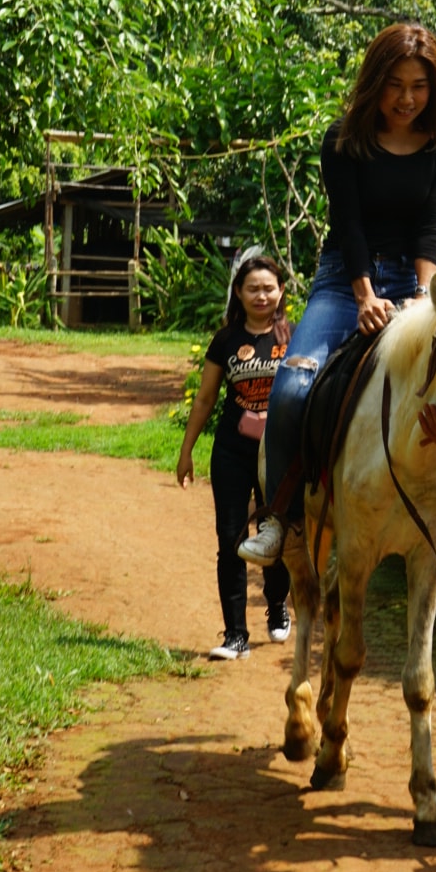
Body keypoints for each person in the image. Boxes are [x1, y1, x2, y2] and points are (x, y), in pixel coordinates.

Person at [239, 22, 436, 566]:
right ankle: (279, 515)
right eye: (394, 85)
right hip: (345, 279)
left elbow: (431, 227)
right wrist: (364, 296)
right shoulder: (343, 140)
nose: (407, 98)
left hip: (417, 281)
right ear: (373, 83)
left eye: (419, 85)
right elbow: (350, 223)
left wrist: (419, 295)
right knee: (292, 386)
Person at [176, 249, 293, 660]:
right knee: (231, 540)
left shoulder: (292, 335)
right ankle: (235, 636)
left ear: (281, 291)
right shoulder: (226, 339)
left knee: (274, 534)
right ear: (239, 294)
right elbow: (206, 398)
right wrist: (186, 449)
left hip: (278, 453)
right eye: (252, 289)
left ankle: (278, 603)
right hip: (232, 450)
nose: (261, 296)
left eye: (268, 288)